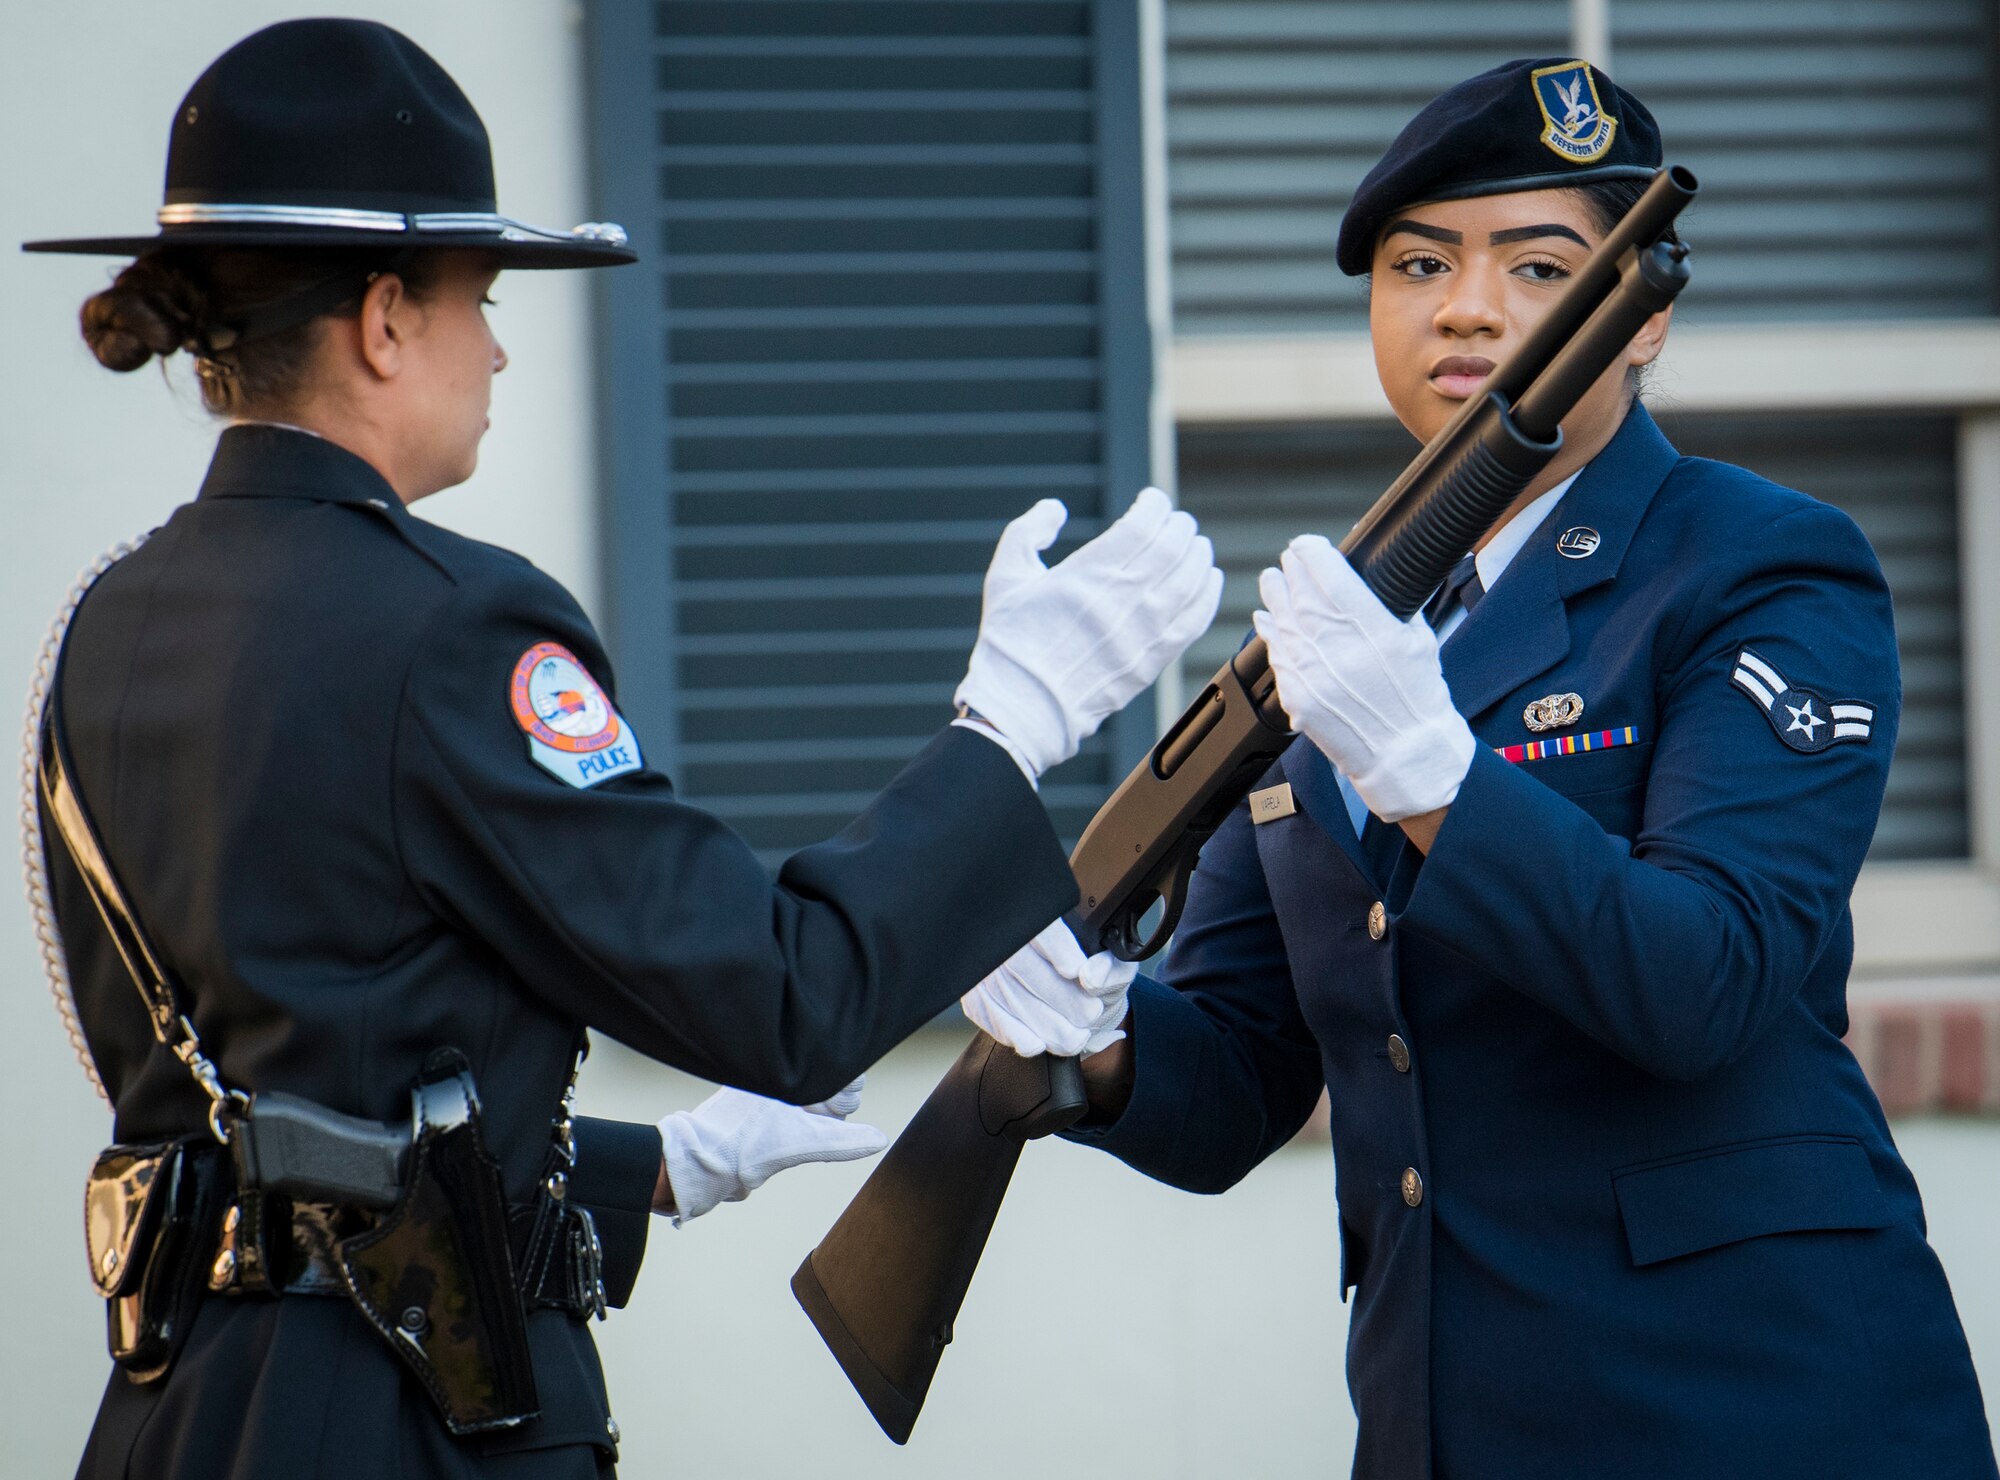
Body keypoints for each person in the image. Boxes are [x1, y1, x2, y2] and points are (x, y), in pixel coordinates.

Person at [22, 20, 1221, 1480]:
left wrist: (667, 1168)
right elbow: (790, 996)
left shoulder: (102, 622)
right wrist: (1011, 725)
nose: (502, 345)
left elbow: (293, 1095)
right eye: (479, 296)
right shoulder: (452, 630)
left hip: (182, 1417)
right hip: (411, 1417)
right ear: (386, 318)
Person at [961, 58, 1997, 1478]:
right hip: (1442, 1413)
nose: (1465, 304)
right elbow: (1243, 1081)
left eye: (1539, 263)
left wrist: (1433, 773)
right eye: (1419, 262)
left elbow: (1703, 984)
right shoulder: (1341, 633)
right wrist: (1097, 1040)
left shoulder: (1758, 565)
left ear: (1646, 320)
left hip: (1760, 1404)